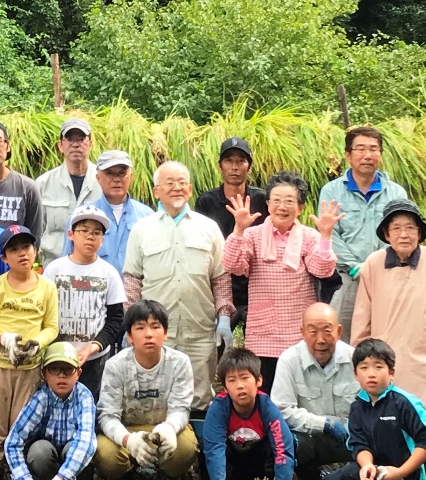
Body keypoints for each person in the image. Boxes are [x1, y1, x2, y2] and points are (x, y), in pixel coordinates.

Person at [123, 161, 233, 411]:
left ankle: (197, 449)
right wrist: (131, 325)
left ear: (191, 189)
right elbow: (132, 281)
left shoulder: (209, 228)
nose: (177, 188)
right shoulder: (142, 230)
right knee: (156, 399)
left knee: (199, 399)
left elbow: (221, 279)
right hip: (157, 334)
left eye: (182, 183)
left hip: (200, 331)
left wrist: (224, 317)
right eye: (169, 183)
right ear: (156, 191)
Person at [223, 171, 342, 386]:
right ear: (268, 204)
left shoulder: (310, 236)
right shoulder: (253, 235)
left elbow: (322, 269)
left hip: (299, 329)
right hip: (263, 332)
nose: (282, 206)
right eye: (276, 200)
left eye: (289, 201)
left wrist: (325, 236)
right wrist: (239, 229)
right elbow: (233, 265)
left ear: (301, 208)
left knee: (301, 389)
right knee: (265, 390)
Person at [0, 225, 59, 480]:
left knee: (22, 425)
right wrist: (2, 339)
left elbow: (52, 327)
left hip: (29, 368)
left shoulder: (46, 287)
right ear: (4, 257)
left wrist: (37, 343)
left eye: (27, 247)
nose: (22, 253)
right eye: (14, 249)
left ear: (35, 251)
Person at [350, 199, 426, 409]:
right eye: (396, 228)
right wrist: (361, 353)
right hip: (388, 360)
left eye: (410, 228)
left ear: (419, 233)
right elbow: (362, 314)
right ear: (387, 234)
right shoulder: (373, 263)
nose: (404, 234)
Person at [321, 339, 426, 480]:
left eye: (378, 367)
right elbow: (359, 444)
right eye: (364, 367)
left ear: (391, 372)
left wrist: (400, 472)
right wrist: (367, 465)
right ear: (355, 373)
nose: (371, 374)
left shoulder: (404, 402)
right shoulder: (357, 406)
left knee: (349, 475)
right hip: (377, 472)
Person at [95, 300, 198, 480]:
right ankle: (127, 479)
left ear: (165, 333)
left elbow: (182, 408)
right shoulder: (115, 365)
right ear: (130, 337)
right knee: (105, 454)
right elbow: (107, 416)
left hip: (163, 430)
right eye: (140, 328)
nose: (149, 334)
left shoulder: (180, 362)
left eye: (155, 327)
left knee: (186, 447)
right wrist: (129, 440)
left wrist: (169, 427)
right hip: (128, 430)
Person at [317, 127, 408, 341]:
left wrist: (373, 264)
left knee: (387, 335)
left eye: (373, 149)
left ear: (381, 154)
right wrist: (355, 266)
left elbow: (401, 233)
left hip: (387, 275)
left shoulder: (396, 193)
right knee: (341, 337)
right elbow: (330, 235)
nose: (368, 155)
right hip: (346, 278)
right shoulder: (331, 191)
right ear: (348, 155)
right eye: (360, 149)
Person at [201, 348, 296, 480]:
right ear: (225, 387)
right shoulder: (219, 408)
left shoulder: (268, 408)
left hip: (258, 468)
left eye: (245, 378)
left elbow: (283, 451)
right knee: (204, 449)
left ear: (258, 380)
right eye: (232, 380)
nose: (240, 385)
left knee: (279, 446)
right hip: (232, 466)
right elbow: (214, 450)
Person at [270, 303, 358, 480]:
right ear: (302, 332)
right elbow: (282, 410)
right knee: (292, 440)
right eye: (312, 332)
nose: (320, 340)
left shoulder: (355, 359)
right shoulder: (289, 360)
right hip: (313, 437)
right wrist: (324, 424)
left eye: (327, 331)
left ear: (339, 331)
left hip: (352, 438)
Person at [43, 204, 126, 400]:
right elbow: (44, 311)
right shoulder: (54, 269)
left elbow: (115, 318)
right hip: (58, 355)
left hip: (95, 358)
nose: (91, 236)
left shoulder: (109, 273)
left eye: (97, 232)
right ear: (71, 234)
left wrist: (93, 347)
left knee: (90, 404)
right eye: (84, 231)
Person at [4, 342, 98, 480]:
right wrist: (24, 479)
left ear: (78, 373)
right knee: (39, 451)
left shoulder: (84, 397)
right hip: (48, 458)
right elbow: (13, 441)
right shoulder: (40, 398)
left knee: (75, 449)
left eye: (68, 370)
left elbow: (86, 442)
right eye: (54, 369)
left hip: (70, 465)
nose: (61, 376)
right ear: (44, 374)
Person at [195, 137, 269, 319]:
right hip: (220, 284)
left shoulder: (262, 200)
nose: (234, 167)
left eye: (240, 161)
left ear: (249, 167)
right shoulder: (207, 201)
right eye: (229, 161)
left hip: (256, 284)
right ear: (220, 166)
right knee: (218, 344)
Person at [63, 150, 153, 273]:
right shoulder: (80, 216)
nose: (116, 179)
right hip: (93, 289)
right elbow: (67, 263)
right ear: (98, 178)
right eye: (109, 173)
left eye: (121, 173)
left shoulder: (147, 216)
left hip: (135, 290)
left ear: (131, 177)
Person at [36, 118, 100, 265]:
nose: (75, 144)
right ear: (60, 146)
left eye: (81, 139)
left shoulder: (102, 181)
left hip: (94, 266)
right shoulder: (43, 183)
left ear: (90, 144)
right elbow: (37, 231)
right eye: (69, 139)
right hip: (53, 265)